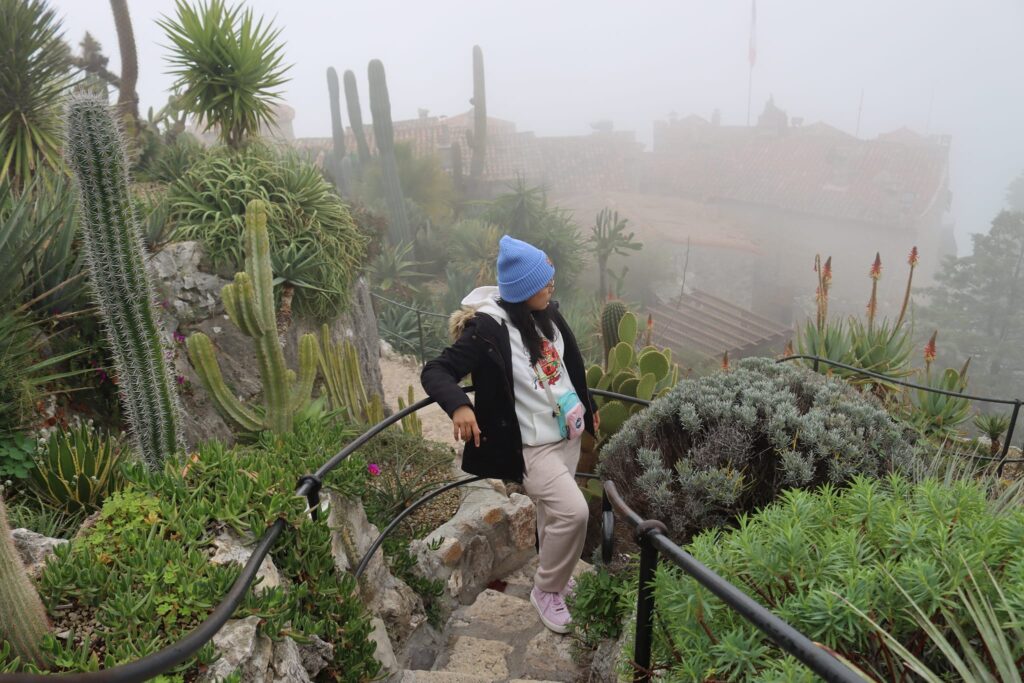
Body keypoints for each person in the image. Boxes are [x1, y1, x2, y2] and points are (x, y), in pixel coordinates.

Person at [421, 235, 598, 634]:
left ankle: (557, 573)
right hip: (532, 448)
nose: (551, 286)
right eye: (543, 281)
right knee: (575, 513)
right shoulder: (488, 330)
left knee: (555, 516)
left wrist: (590, 406)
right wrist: (460, 406)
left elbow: (571, 362)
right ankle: (546, 590)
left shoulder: (545, 314)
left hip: (567, 433)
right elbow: (436, 370)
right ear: (521, 290)